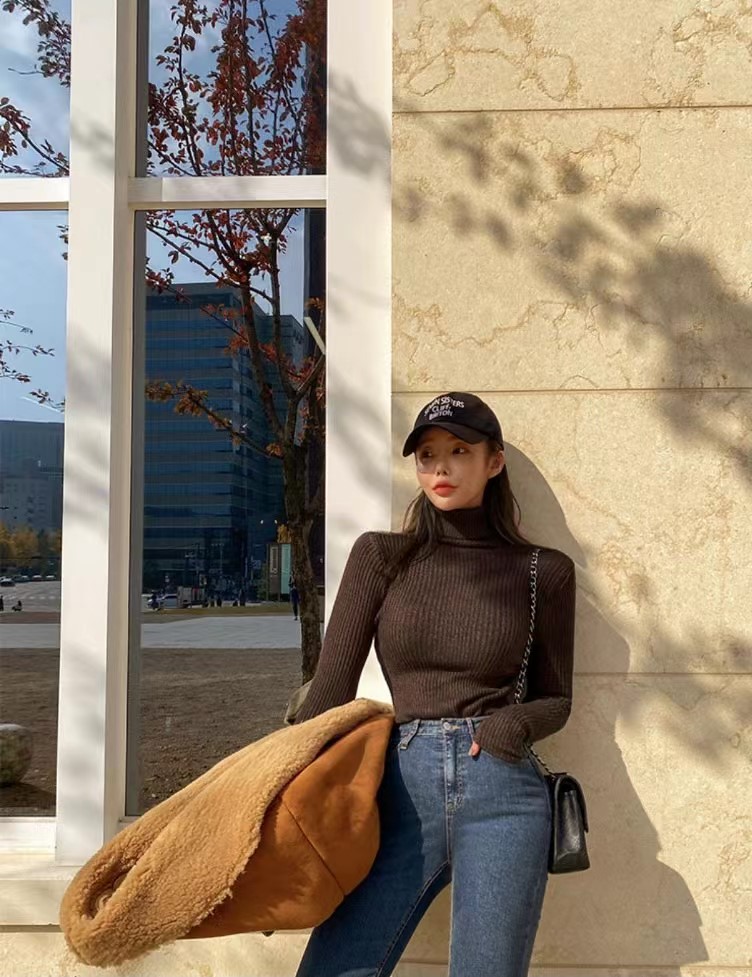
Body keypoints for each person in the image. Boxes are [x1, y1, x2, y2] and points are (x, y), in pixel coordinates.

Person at [292, 391, 577, 977]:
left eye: (459, 451)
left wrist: (510, 726)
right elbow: (329, 692)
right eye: (427, 454)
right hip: (400, 790)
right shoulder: (381, 558)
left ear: (494, 461)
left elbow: (557, 698)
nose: (441, 467)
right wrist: (274, 771)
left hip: (502, 794)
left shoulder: (542, 571)